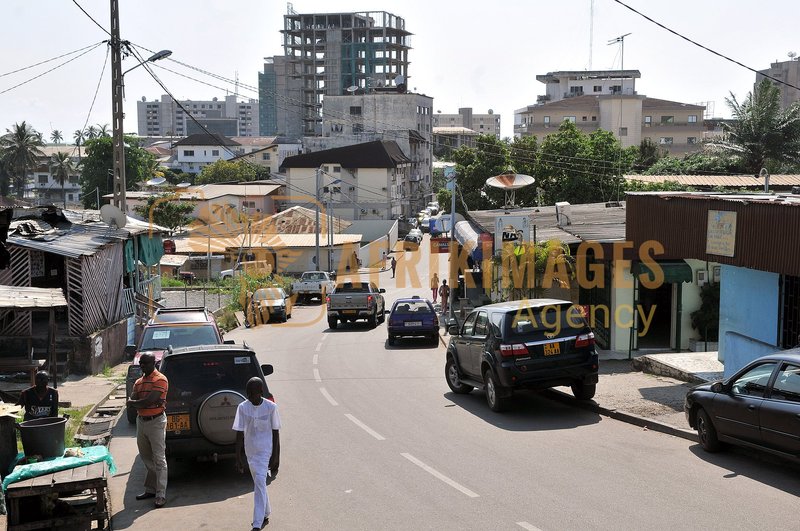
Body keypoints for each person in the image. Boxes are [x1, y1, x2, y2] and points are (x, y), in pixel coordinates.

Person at [234, 377, 281, 531]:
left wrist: (275, 456)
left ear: (261, 392)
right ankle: (266, 511)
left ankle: (257, 522)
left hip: (265, 451)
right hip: (250, 451)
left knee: (260, 482)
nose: (249, 397)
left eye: (252, 393)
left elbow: (275, 432)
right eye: (248, 394)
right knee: (259, 482)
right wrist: (238, 457)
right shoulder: (242, 407)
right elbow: (239, 433)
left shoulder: (271, 407)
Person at [127, 353, 169, 508]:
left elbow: (147, 401)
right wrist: (140, 402)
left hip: (156, 421)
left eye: (145, 363)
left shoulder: (160, 379)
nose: (142, 365)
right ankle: (151, 489)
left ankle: (161, 494)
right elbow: (133, 401)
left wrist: (138, 402)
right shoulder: (138, 382)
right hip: (142, 421)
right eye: (141, 363)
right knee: (146, 457)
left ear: (154, 363)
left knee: (159, 459)